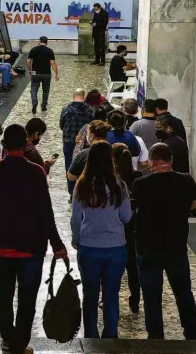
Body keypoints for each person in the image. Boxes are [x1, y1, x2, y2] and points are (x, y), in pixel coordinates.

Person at [0, 124, 67, 354]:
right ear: (25, 144)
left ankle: (7, 336)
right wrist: (57, 244)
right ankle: (20, 342)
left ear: (5, 145)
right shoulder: (36, 172)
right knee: (27, 297)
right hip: (31, 247)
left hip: (3, 245)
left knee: (4, 293)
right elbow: (45, 212)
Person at [131, 143, 196, 340]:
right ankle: (192, 330)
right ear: (171, 160)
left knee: (152, 295)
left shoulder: (141, 184)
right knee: (183, 291)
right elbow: (192, 204)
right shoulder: (186, 181)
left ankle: (155, 334)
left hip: (147, 246)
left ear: (151, 160)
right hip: (176, 245)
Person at [71, 141, 131, 338]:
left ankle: (90, 335)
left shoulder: (82, 184)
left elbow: (75, 218)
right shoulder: (118, 185)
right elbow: (126, 217)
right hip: (116, 247)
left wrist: (76, 239)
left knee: (90, 295)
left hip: (89, 246)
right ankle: (110, 335)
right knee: (111, 296)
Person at [111, 143, 142, 314]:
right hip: (133, 229)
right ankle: (135, 299)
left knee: (112, 270)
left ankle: (110, 299)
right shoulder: (137, 176)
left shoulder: (111, 180)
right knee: (132, 268)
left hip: (115, 229)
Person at [60, 89, 93, 197]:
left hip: (68, 141)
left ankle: (72, 192)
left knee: (69, 165)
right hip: (84, 144)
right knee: (84, 166)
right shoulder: (90, 110)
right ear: (83, 97)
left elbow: (61, 125)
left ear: (73, 96)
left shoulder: (65, 109)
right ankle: (82, 190)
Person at [27, 36, 58, 114]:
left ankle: (34, 102)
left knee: (34, 88)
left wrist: (30, 70)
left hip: (35, 73)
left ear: (39, 41)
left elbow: (28, 61)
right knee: (45, 90)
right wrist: (56, 74)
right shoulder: (50, 51)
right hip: (46, 74)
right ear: (46, 42)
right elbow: (52, 63)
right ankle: (43, 105)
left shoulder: (34, 49)